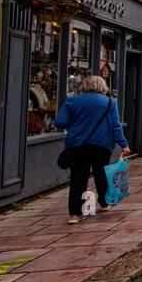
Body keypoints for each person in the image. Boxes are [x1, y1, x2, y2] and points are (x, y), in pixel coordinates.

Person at [55, 75, 130, 225]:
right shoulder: (109, 103)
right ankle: (103, 202)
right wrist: (124, 144)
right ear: (102, 87)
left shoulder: (72, 101)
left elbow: (60, 122)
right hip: (101, 146)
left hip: (77, 145)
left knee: (78, 179)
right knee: (100, 174)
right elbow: (116, 126)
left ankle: (75, 214)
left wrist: (77, 125)